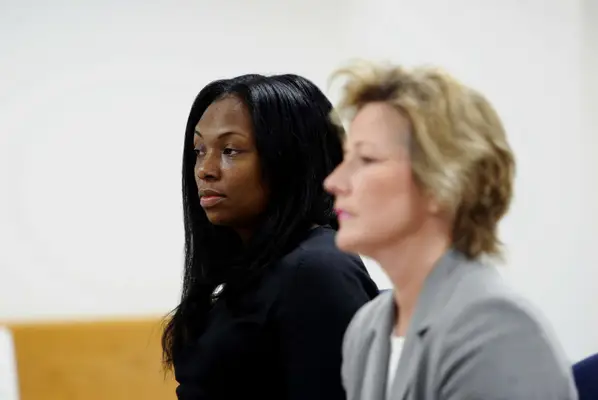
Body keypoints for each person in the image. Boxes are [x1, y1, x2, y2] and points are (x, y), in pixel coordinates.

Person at [324, 61, 578, 400]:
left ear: (441, 183)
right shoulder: (368, 329)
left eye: (367, 159)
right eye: (345, 159)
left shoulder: (496, 331)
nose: (334, 181)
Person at [161, 73, 379, 400]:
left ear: (289, 159)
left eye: (230, 150)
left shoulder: (316, 270)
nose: (205, 169)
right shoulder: (254, 270)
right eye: (199, 150)